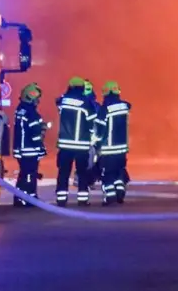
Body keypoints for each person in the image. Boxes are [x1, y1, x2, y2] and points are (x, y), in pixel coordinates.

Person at [54, 76, 99, 206]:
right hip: (81, 145)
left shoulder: (63, 101)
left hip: (65, 145)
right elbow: (92, 120)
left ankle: (61, 199)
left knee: (63, 173)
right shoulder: (86, 103)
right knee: (82, 173)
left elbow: (57, 103)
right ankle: (83, 199)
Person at [12, 83, 48, 208]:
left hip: (21, 149)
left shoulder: (21, 109)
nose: (38, 101)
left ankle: (21, 198)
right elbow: (34, 135)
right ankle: (28, 199)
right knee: (28, 175)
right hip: (29, 150)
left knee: (24, 174)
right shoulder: (31, 113)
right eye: (37, 98)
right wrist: (42, 136)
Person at [95, 81, 130, 206]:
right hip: (121, 148)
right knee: (119, 170)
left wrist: (96, 143)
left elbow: (99, 128)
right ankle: (120, 193)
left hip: (108, 148)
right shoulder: (124, 107)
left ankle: (110, 197)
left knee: (108, 174)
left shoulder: (104, 109)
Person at [79, 78, 103, 203]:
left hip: (85, 138)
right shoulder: (93, 105)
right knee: (89, 161)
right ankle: (87, 180)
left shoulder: (81, 104)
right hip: (88, 138)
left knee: (89, 160)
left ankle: (87, 179)